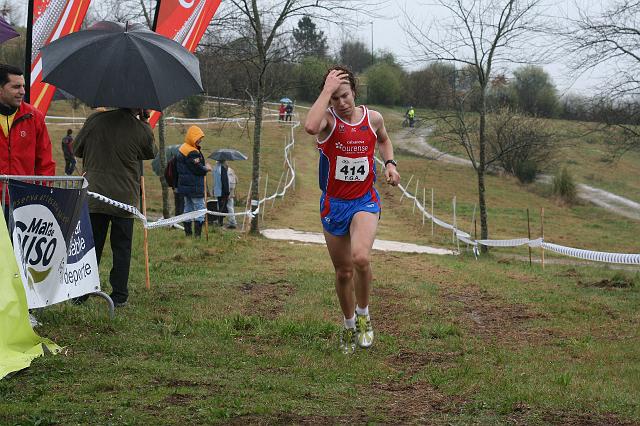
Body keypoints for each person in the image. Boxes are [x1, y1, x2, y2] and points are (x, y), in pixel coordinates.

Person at [304, 65, 400, 354]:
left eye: (344, 96)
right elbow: (309, 126)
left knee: (360, 258)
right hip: (335, 203)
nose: (341, 103)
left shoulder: (373, 118)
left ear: (354, 92)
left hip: (364, 201)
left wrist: (390, 164)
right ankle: (348, 326)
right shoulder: (328, 123)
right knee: (344, 272)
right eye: (335, 99)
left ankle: (364, 316)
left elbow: (383, 140)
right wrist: (326, 91)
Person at [73, 107, 156, 307]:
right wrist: (144, 121)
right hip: (124, 197)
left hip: (95, 195)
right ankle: (119, 294)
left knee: (91, 246)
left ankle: (81, 292)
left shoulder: (95, 120)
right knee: (122, 248)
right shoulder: (140, 128)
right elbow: (151, 152)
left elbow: (77, 149)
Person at [0, 64, 55, 221]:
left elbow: (45, 163)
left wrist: (42, 198)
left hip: (25, 202)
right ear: (1, 89)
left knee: (20, 247)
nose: (22, 92)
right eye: (16, 87)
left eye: (23, 86)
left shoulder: (34, 117)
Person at [176, 126, 211, 237]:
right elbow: (197, 169)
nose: (200, 140)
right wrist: (206, 168)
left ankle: (188, 235)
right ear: (193, 137)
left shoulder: (183, 148)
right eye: (198, 138)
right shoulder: (192, 152)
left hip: (186, 186)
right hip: (194, 186)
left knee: (188, 209)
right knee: (200, 209)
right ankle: (197, 236)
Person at [212, 159, 230, 227]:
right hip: (223, 191)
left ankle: (220, 221)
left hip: (217, 191)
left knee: (220, 206)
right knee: (222, 207)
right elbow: (225, 181)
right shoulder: (222, 169)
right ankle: (220, 222)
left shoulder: (215, 168)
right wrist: (227, 192)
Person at [226, 165, 238, 229]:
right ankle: (232, 221)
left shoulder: (225, 171)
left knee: (229, 206)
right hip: (232, 189)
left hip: (228, 190)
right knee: (230, 206)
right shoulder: (231, 170)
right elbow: (237, 180)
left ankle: (232, 222)